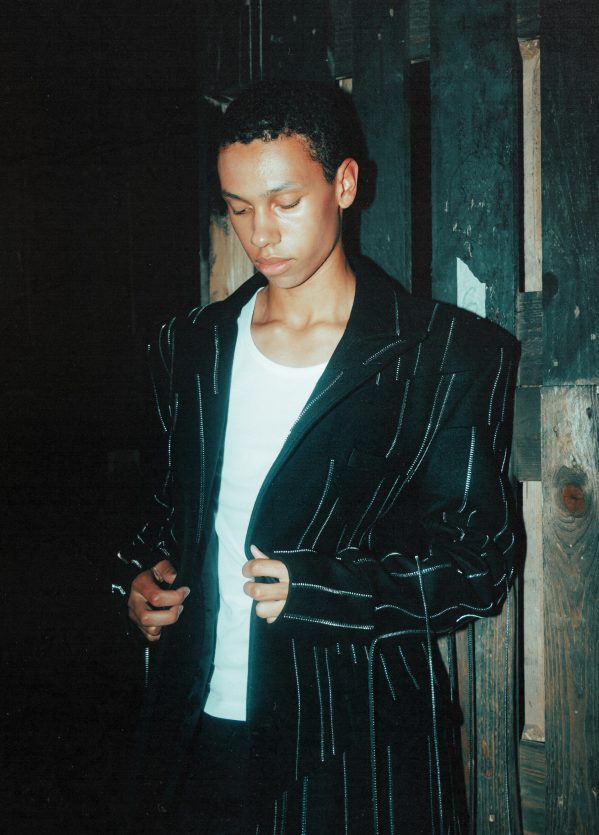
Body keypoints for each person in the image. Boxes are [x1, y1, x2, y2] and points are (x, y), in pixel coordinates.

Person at [113, 80, 520, 834]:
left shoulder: (446, 354)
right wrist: (140, 578)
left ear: (344, 183)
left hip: (354, 743)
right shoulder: (189, 346)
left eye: (285, 202)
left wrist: (323, 591)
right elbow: (169, 511)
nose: (260, 233)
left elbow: (478, 565)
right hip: (192, 730)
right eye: (238, 208)